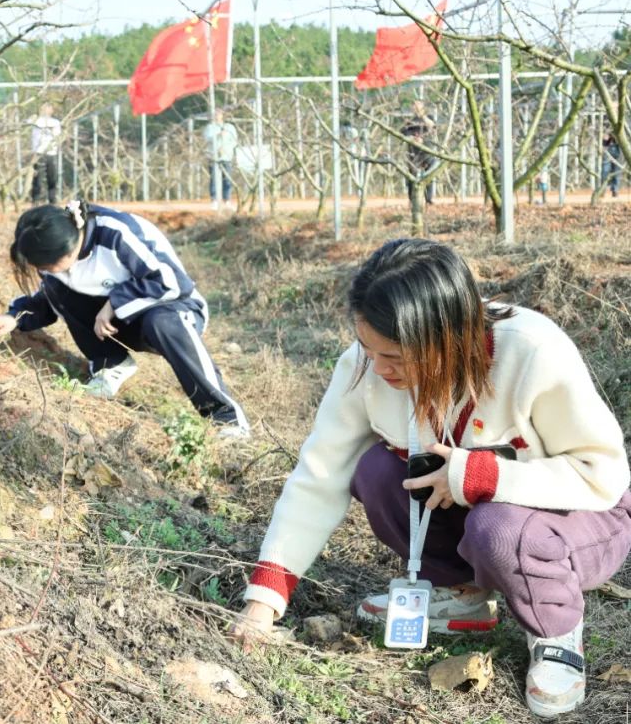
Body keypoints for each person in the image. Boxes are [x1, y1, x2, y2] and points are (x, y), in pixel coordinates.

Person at [230, 239, 631, 718]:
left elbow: (601, 474)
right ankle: (463, 596)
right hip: (480, 508)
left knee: (498, 529)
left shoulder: (532, 352)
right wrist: (265, 599)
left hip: (580, 519)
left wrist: (481, 475)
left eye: (396, 355)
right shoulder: (366, 367)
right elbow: (319, 474)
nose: (378, 368)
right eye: (367, 348)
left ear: (451, 336)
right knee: (377, 472)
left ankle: (555, 630)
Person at [0, 201, 249, 439]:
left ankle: (226, 417)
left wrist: (114, 304)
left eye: (45, 267)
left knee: (162, 321)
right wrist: (14, 318)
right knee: (58, 289)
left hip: (175, 311)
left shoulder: (117, 233)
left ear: (66, 253)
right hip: (121, 321)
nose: (42, 273)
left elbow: (172, 283)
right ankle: (112, 364)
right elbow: (47, 299)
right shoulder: (57, 260)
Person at [402, 101, 436, 207]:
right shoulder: (410, 122)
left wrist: (423, 117)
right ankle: (412, 200)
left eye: (418, 107)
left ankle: (429, 200)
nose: (416, 108)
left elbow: (433, 126)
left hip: (427, 150)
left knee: (429, 175)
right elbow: (404, 135)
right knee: (411, 177)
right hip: (414, 152)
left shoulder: (429, 117)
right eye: (414, 107)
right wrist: (414, 139)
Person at [202, 109, 238, 205]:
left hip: (226, 156)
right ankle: (214, 200)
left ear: (222, 115)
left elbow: (234, 141)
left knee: (227, 178)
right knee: (214, 178)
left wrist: (226, 149)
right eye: (215, 114)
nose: (217, 116)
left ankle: (227, 199)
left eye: (218, 114)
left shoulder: (229, 127)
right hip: (213, 156)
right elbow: (207, 139)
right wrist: (218, 135)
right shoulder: (209, 128)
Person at [29, 102, 62, 205]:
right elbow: (28, 122)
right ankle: (35, 201)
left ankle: (52, 201)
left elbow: (57, 136)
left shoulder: (55, 122)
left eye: (49, 108)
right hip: (38, 153)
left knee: (52, 178)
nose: (47, 110)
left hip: (51, 153)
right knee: (37, 178)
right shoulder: (36, 120)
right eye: (45, 108)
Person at [601, 134, 622, 198]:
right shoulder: (605, 125)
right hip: (606, 148)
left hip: (617, 148)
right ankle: (602, 190)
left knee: (616, 172)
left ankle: (615, 190)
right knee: (605, 171)